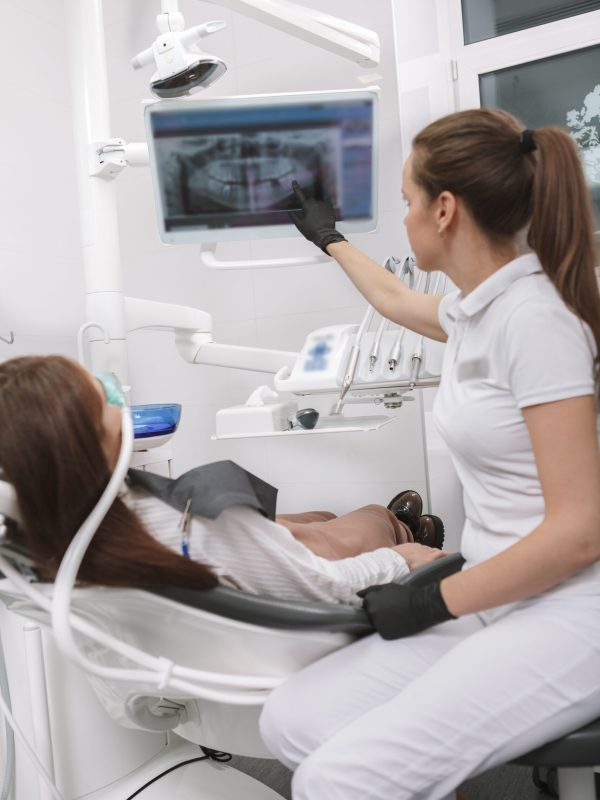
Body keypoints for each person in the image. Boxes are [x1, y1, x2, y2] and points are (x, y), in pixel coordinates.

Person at [259, 108, 600, 799]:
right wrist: (327, 237)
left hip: (573, 608)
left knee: (336, 782)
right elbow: (393, 298)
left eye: (407, 201)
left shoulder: (536, 320)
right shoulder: (476, 310)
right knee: (290, 722)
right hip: (500, 590)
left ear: (444, 210)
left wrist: (430, 600)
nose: (405, 216)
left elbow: (579, 533)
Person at [0, 354, 445, 608]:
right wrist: (399, 561)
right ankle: (404, 530)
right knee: (371, 518)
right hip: (269, 574)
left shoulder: (40, 538)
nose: (119, 403)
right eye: (105, 400)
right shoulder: (190, 527)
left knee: (321, 516)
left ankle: (388, 526)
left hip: (217, 545)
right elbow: (326, 586)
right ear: (89, 443)